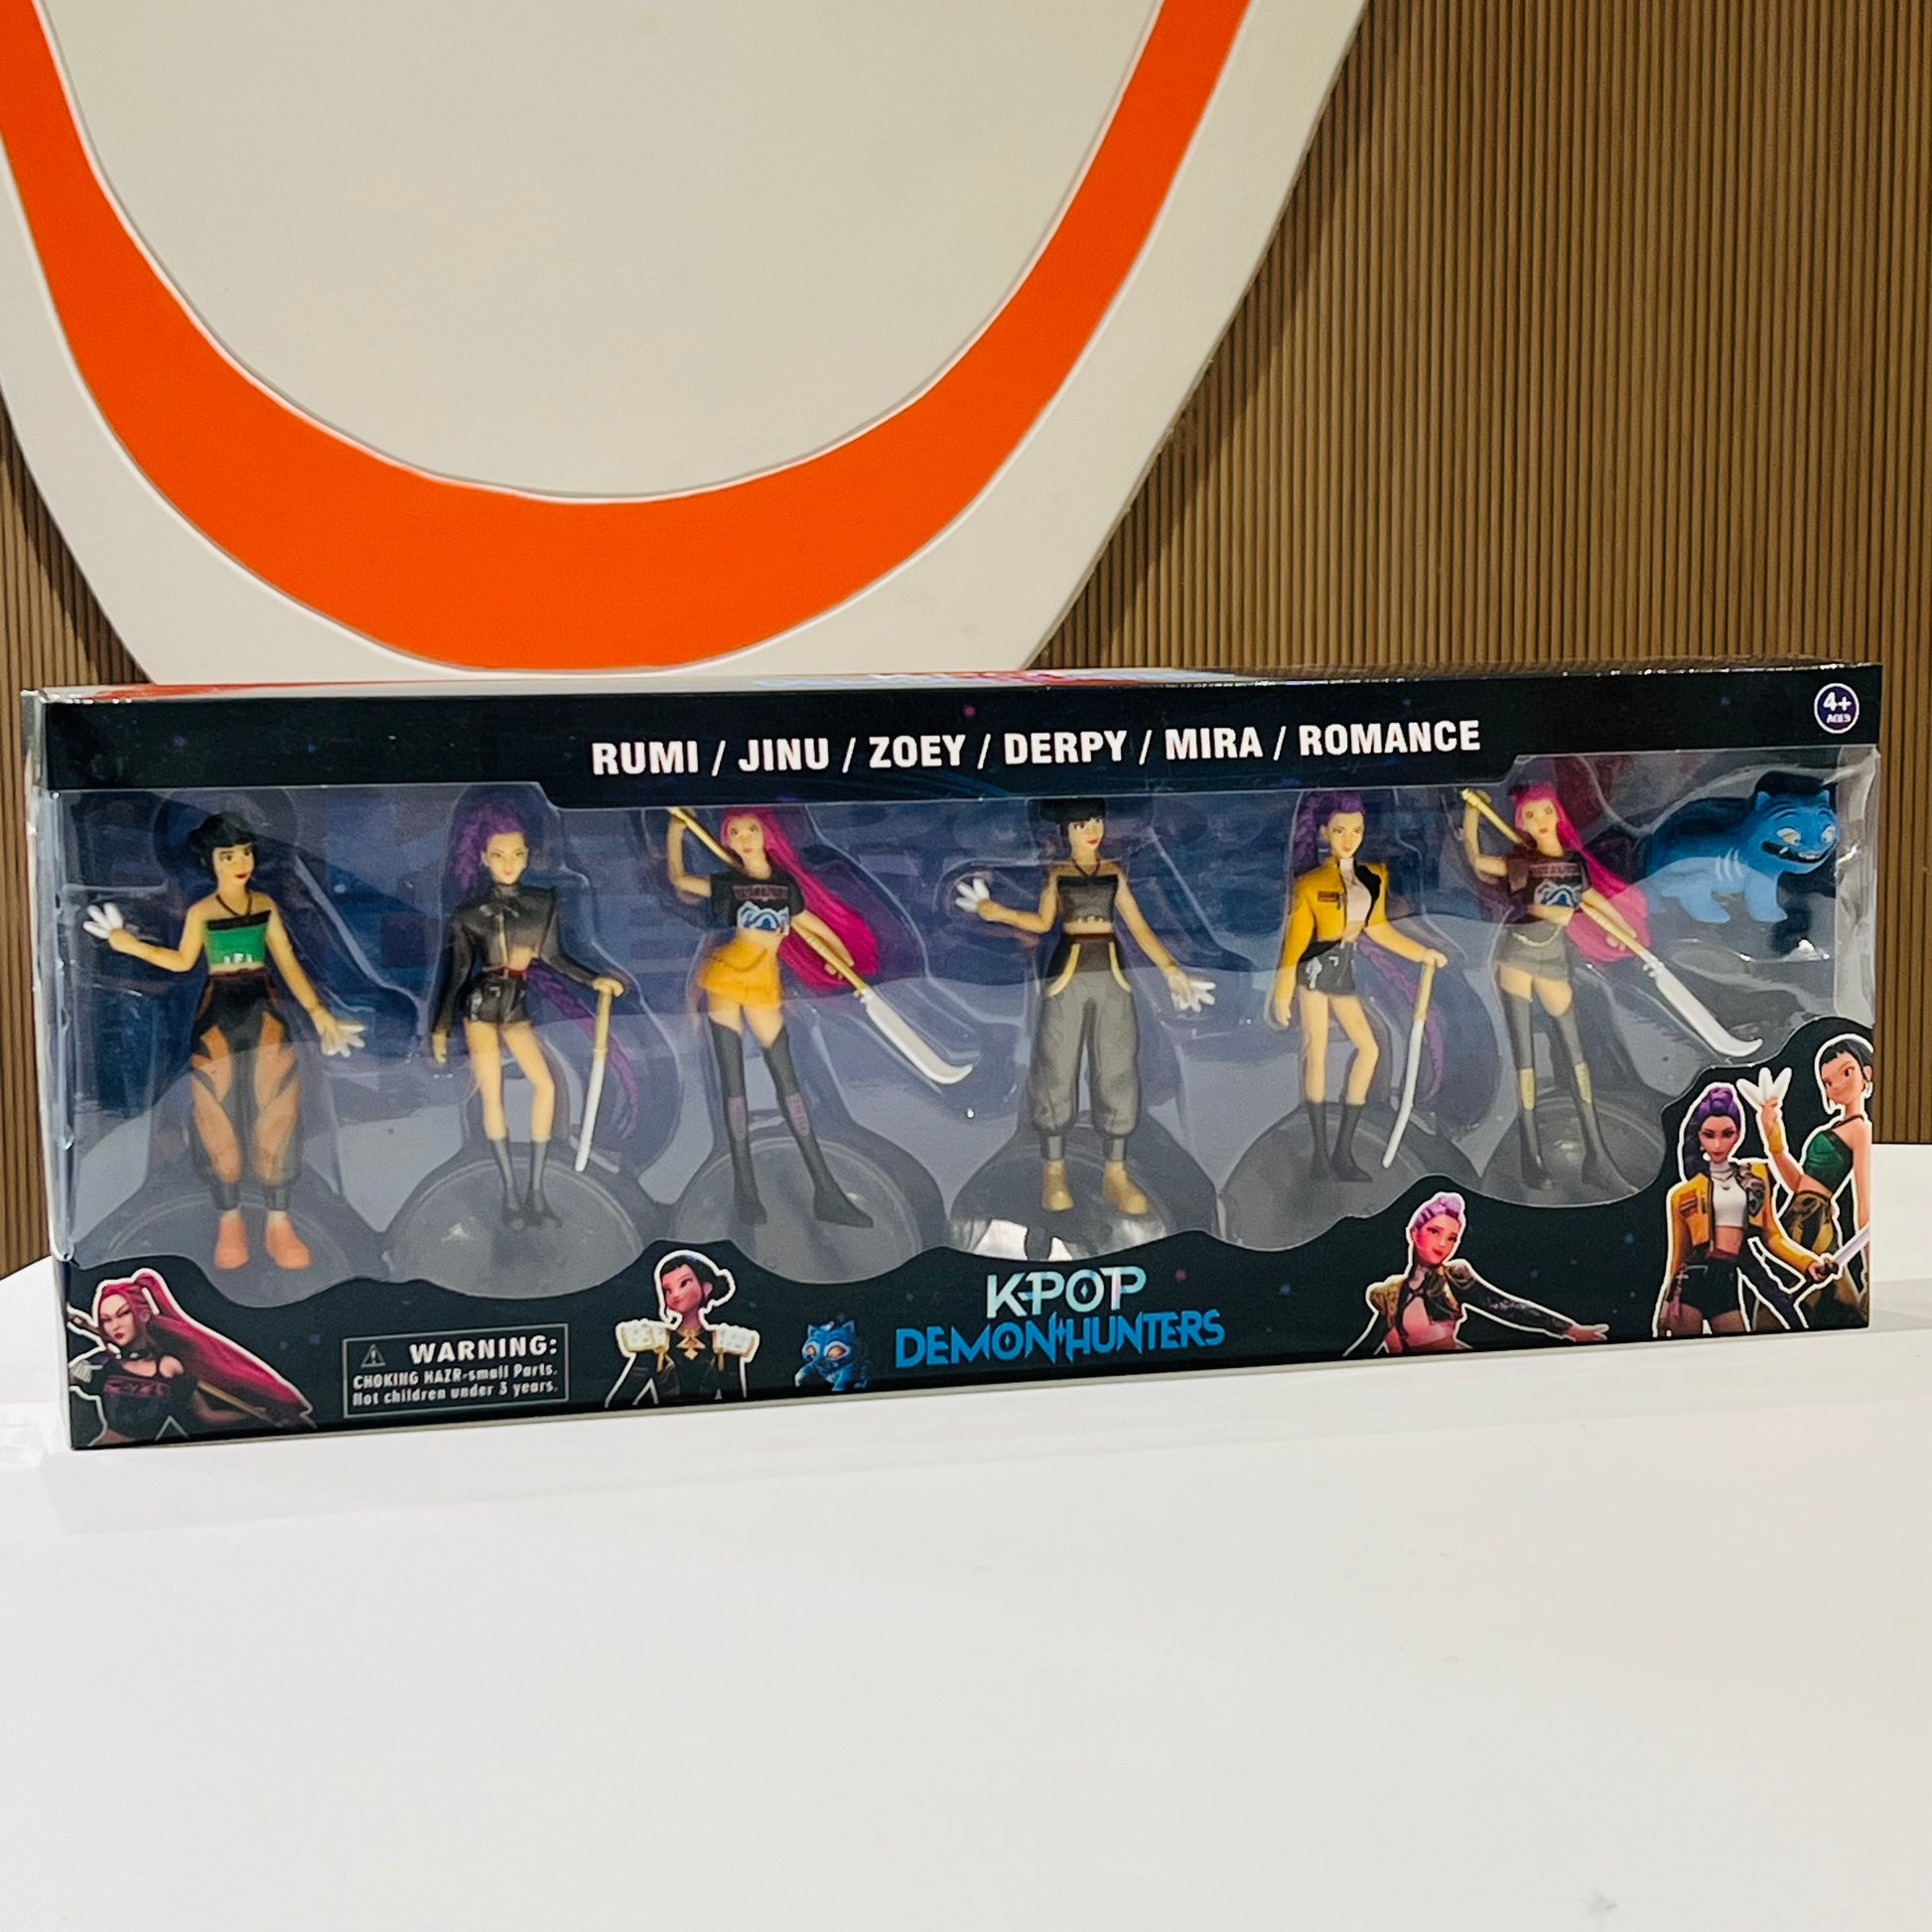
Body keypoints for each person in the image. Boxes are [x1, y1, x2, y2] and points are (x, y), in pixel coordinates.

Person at [83, 812, 363, 1270]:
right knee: (214, 1110)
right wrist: (129, 945)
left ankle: (278, 1219)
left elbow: (288, 962)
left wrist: (319, 1013)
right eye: (228, 855)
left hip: (264, 1008)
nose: (240, 863)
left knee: (278, 1105)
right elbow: (180, 961)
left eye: (246, 853)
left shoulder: (265, 906)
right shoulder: (203, 913)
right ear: (210, 862)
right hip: (217, 1012)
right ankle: (228, 1217)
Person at [957, 800, 1213, 1216]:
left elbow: (1138, 926)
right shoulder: (1058, 876)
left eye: (1095, 821)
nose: (1091, 830)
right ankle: (1053, 1171)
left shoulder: (1114, 873)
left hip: (1111, 972)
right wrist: (996, 911)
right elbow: (1042, 924)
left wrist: (1171, 970)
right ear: (1066, 833)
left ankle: (1116, 1173)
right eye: (1080, 825)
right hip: (1068, 972)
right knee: (1056, 1064)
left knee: (1117, 1065)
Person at [668, 809, 874, 1227]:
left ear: (768, 835)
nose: (744, 837)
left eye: (752, 829)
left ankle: (826, 1190)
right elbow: (681, 881)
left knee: (790, 1087)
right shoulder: (730, 884)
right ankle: (745, 1192)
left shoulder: (784, 886)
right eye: (735, 832)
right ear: (727, 840)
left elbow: (810, 923)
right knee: (734, 1088)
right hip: (726, 979)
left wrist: (842, 955)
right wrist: (675, 834)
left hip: (764, 985)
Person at [432, 807, 624, 1226]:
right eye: (499, 855)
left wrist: (594, 979)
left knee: (546, 1086)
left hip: (516, 1005)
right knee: (492, 1093)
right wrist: (441, 1027)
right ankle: (509, 1193)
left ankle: (536, 1190)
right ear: (483, 857)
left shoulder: (542, 903)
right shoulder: (469, 913)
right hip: (480, 1007)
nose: (509, 863)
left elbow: (554, 957)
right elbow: (457, 973)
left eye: (517, 854)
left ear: (528, 855)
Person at [1461, 782, 1643, 1189]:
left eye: (1545, 811)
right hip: (1519, 955)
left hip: (1555, 959)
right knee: (1525, 1058)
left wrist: (1623, 929)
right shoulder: (1521, 863)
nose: (1540, 820)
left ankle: (1597, 1156)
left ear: (1558, 813)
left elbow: (1592, 901)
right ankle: (1531, 1155)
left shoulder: (1574, 863)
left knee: (1577, 1059)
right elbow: (1476, 861)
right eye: (1530, 815)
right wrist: (1472, 815)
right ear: (1521, 824)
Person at [1270, 792, 1447, 1179]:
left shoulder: (1373, 877)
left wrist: (1422, 953)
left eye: (1356, 830)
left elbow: (1379, 930)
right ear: (1323, 833)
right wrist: (1282, 991)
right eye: (1339, 830)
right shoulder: (1311, 884)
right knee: (1315, 1051)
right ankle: (1319, 1154)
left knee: (1369, 1048)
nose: (1348, 839)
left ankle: (1344, 1151)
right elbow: (1295, 944)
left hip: (1344, 969)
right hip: (1316, 967)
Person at [1656, 1084, 1834, 1337]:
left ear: (1738, 1134)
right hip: (1690, 1283)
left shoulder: (1756, 1176)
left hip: (1727, 1281)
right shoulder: (1683, 1194)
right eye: (1709, 1135)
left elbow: (1773, 1236)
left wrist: (1808, 1263)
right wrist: (1665, 1305)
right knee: (1686, 1354)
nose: (1718, 1144)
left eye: (1727, 1134)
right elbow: (1677, 1257)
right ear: (1699, 1137)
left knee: (1736, 1349)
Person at [67, 1268, 313, 1445]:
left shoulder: (169, 1367)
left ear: (143, 1315)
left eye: (123, 1314)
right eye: (106, 1320)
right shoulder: (104, 1364)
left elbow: (207, 1415)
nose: (114, 1326)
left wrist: (260, 1414)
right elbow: (69, 1379)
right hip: (98, 1454)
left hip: (146, 1461)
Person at [1352, 1191, 1606, 1355]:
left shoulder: (1455, 1278)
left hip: (1457, 1373)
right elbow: (1367, 1346)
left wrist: (1569, 1330)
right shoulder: (1390, 1294)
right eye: (1434, 1231)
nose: (1442, 1244)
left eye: (1452, 1238)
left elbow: (1506, 1307)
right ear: (1414, 1233)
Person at [1743, 1035, 1872, 1328]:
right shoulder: (1833, 1127)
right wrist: (1774, 1140)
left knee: (1825, 1298)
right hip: (1796, 1215)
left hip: (1814, 1222)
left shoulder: (1861, 1130)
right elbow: (1799, 1183)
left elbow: (1864, 1203)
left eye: (1846, 1072)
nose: (1836, 1086)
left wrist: (1869, 1272)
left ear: (1867, 1072)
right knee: (1782, 1297)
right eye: (1827, 1082)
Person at [606, 1251, 759, 1404]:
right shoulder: (655, 1342)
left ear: (706, 1288)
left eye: (684, 1283)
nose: (676, 1294)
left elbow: (737, 1404)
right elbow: (622, 1399)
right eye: (668, 1290)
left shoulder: (724, 1343)